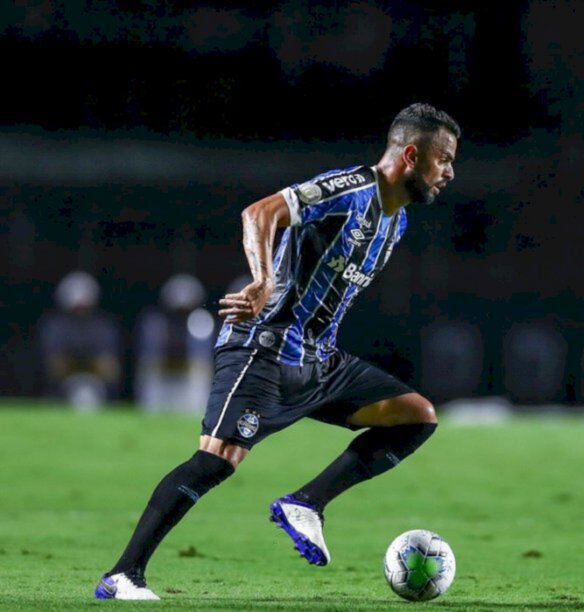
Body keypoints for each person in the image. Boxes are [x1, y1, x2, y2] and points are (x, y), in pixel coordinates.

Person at [95, 103, 460, 600]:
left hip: (319, 361)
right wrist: (264, 279)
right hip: (262, 349)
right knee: (216, 462)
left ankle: (306, 503)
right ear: (412, 154)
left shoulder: (396, 224)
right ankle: (123, 576)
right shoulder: (351, 189)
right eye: (444, 159)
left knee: (416, 415)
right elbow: (260, 212)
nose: (449, 172)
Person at [40, 271, 121, 410]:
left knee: (86, 395)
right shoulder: (55, 326)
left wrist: (74, 365)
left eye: (85, 306)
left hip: (96, 385)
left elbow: (110, 369)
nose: (81, 311)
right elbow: (55, 367)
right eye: (77, 307)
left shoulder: (103, 326)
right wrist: (91, 365)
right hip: (60, 387)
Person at [134, 273, 215, 413]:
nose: (180, 314)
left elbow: (202, 362)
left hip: (189, 378)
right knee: (149, 379)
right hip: (161, 377)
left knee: (200, 380)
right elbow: (148, 360)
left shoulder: (201, 320)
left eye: (185, 310)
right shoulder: (155, 322)